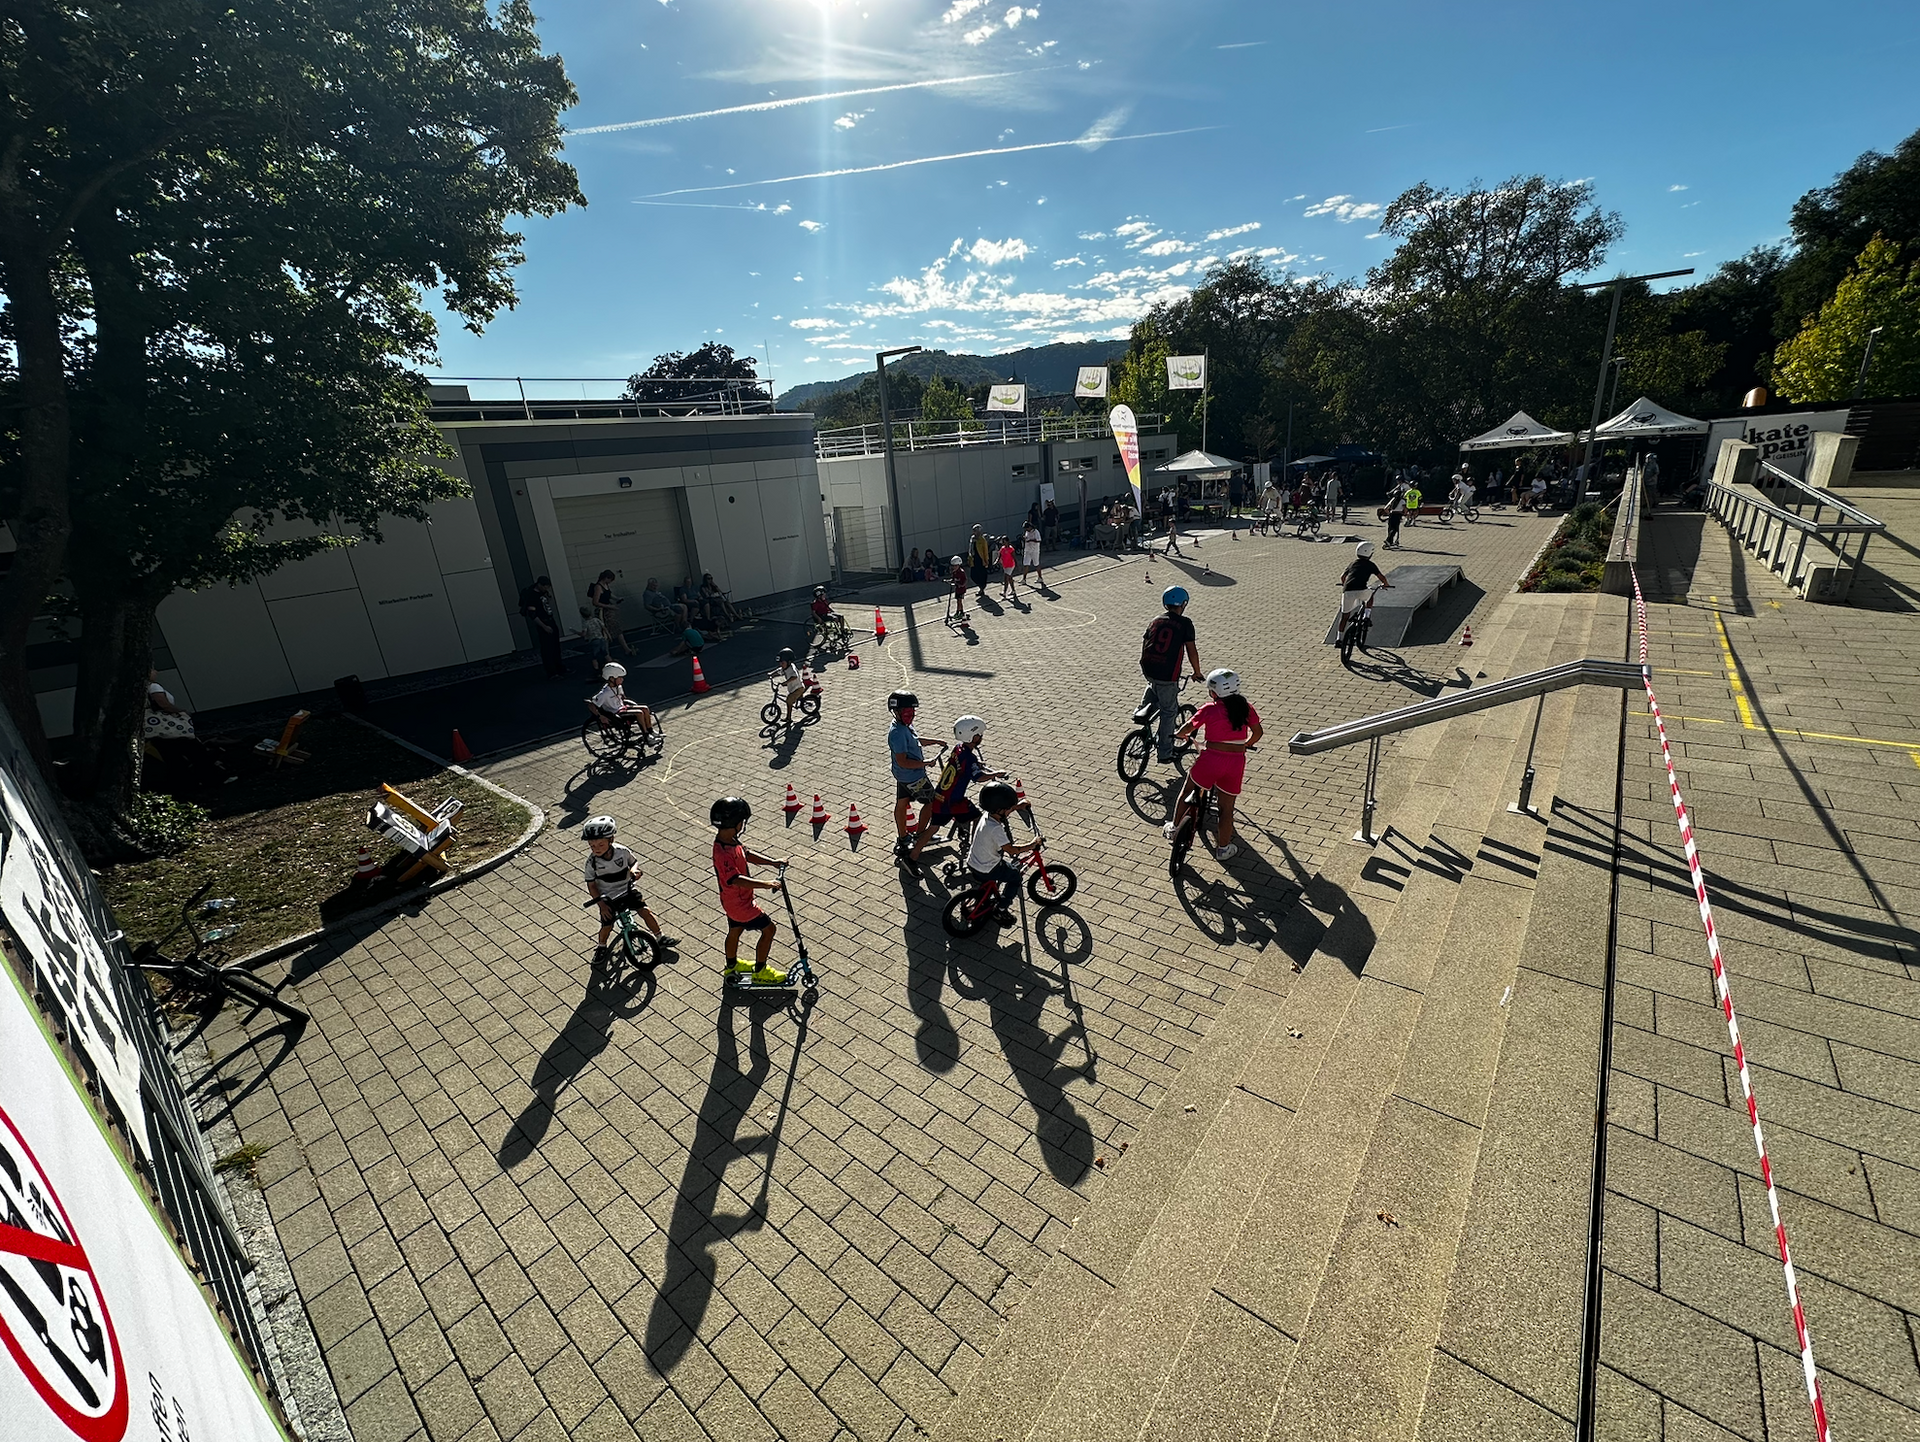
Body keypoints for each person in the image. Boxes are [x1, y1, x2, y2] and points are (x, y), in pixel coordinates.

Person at [1164, 669, 1263, 862]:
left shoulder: (1209, 709)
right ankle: (1223, 849)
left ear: (1213, 692)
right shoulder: (1247, 708)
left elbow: (1189, 727)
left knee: (1187, 791)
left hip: (1211, 759)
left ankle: (1174, 828)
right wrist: (1246, 744)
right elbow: (1258, 733)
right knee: (1226, 809)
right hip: (1235, 762)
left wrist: (1180, 734)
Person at [710, 797, 791, 986]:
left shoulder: (729, 840)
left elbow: (746, 854)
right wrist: (767, 884)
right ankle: (760, 972)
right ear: (736, 823)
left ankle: (731, 966)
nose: (743, 824)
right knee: (769, 929)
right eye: (742, 821)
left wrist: (773, 862)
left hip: (732, 902)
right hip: (740, 904)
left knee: (735, 930)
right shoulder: (723, 854)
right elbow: (737, 879)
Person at [910, 714, 1004, 866]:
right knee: (978, 818)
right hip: (953, 801)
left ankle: (912, 856)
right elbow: (978, 777)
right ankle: (975, 851)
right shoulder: (969, 758)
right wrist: (995, 774)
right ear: (972, 736)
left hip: (940, 795)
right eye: (979, 734)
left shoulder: (958, 748)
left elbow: (962, 764)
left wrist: (976, 763)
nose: (981, 737)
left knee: (933, 827)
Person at [582, 816, 675, 962]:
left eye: (600, 844)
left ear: (611, 840)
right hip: (608, 897)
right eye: (592, 846)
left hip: (627, 889)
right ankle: (601, 946)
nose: (596, 849)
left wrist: (634, 870)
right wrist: (602, 906)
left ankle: (660, 936)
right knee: (607, 925)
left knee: (645, 911)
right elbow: (592, 885)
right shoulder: (592, 862)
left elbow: (634, 862)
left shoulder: (622, 851)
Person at [1139, 586, 1203, 764]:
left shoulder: (1156, 620)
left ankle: (1142, 711)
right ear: (1183, 604)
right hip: (1167, 674)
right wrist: (1197, 672)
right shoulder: (1185, 623)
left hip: (1149, 668)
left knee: (1155, 688)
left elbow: (1145, 641)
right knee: (1169, 712)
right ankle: (1165, 753)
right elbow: (1191, 650)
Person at [144, 667, 233, 786]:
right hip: (171, 729)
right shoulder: (154, 687)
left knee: (173, 759)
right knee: (197, 752)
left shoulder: (138, 690)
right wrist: (181, 712)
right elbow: (163, 704)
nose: (156, 672)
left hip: (155, 731)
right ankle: (212, 778)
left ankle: (188, 784)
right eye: (153, 670)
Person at [966, 782, 1037, 927]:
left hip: (973, 861)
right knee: (1015, 877)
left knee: (992, 876)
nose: (1010, 810)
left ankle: (984, 897)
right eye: (1009, 808)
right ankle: (1001, 909)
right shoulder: (995, 829)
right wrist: (1032, 845)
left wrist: (1018, 806)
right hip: (988, 868)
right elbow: (1012, 850)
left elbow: (1003, 809)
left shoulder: (987, 815)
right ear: (1000, 809)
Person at [887, 690, 947, 857]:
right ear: (896, 711)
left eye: (912, 712)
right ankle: (921, 835)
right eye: (907, 713)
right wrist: (926, 763)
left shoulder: (903, 725)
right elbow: (903, 761)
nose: (911, 716)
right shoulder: (897, 733)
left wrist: (934, 741)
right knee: (932, 802)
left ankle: (903, 838)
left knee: (902, 803)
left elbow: (915, 741)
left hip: (902, 776)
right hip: (914, 777)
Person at [1338, 540, 1392, 649]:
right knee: (1370, 596)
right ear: (1370, 553)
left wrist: (1344, 584)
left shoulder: (1352, 563)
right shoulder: (1371, 565)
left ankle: (1338, 639)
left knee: (1344, 616)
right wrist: (1386, 584)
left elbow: (1343, 577)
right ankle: (1366, 617)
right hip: (1362, 590)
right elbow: (1381, 577)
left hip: (1347, 591)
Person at [591, 662, 656, 737]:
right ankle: (646, 734)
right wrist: (600, 716)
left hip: (622, 708)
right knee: (639, 713)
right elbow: (591, 704)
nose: (622, 679)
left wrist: (630, 704)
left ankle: (650, 730)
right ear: (611, 678)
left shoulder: (619, 687)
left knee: (645, 708)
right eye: (620, 678)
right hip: (616, 713)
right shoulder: (604, 693)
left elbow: (623, 698)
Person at [520, 576, 567, 678]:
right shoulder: (532, 596)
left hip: (550, 620)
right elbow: (532, 614)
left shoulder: (543, 593)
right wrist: (544, 626)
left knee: (555, 647)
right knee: (547, 649)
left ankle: (559, 668)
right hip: (543, 622)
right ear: (540, 585)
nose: (546, 589)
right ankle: (551, 672)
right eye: (545, 587)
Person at [587, 570, 634, 657]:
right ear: (606, 578)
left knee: (617, 629)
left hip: (609, 611)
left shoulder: (605, 585)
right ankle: (607, 655)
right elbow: (595, 602)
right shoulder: (598, 587)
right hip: (603, 612)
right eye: (610, 580)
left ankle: (625, 649)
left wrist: (617, 599)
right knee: (606, 633)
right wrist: (609, 606)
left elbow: (609, 594)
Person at [774, 647, 805, 723]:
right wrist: (772, 674)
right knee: (794, 699)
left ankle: (788, 718)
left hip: (798, 688)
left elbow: (794, 676)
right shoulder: (786, 667)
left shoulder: (792, 669)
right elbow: (779, 671)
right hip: (793, 688)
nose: (781, 664)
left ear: (789, 662)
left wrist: (786, 682)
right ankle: (801, 700)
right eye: (780, 663)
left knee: (789, 701)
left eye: (782, 663)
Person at [578, 607, 611, 672]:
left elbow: (584, 634)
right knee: (605, 653)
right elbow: (604, 628)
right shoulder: (596, 620)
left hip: (594, 640)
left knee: (594, 657)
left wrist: (577, 633)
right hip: (601, 638)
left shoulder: (586, 623)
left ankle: (596, 670)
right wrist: (608, 635)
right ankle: (612, 665)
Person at [969, 524, 994, 599]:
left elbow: (985, 551)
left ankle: (981, 589)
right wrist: (969, 558)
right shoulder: (972, 539)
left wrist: (986, 560)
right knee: (973, 575)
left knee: (982, 574)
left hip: (980, 559)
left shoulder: (982, 540)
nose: (974, 532)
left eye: (975, 531)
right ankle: (980, 586)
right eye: (973, 531)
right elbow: (970, 549)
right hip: (974, 559)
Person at [1383, 481, 1407, 550]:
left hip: (1391, 514)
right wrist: (1404, 514)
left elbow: (1385, 508)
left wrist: (1389, 513)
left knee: (1390, 528)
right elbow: (1405, 509)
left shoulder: (1392, 500)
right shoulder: (1402, 501)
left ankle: (1390, 541)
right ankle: (1388, 540)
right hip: (1398, 514)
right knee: (1395, 528)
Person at [946, 555, 969, 625]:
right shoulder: (954, 572)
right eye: (953, 566)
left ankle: (958, 612)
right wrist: (949, 581)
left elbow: (965, 580)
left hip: (961, 589)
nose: (954, 567)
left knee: (959, 601)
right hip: (957, 589)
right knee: (958, 601)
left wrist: (961, 585)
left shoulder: (961, 572)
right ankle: (961, 612)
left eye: (955, 566)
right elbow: (953, 579)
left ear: (959, 565)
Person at [1021, 519, 1044, 587]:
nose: (1026, 530)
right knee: (1026, 564)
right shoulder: (1027, 532)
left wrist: (1031, 540)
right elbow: (1026, 538)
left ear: (1030, 527)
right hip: (1027, 550)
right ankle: (1024, 579)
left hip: (1034, 550)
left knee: (1036, 564)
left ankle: (1040, 577)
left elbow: (1039, 540)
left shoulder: (1036, 532)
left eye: (1027, 528)